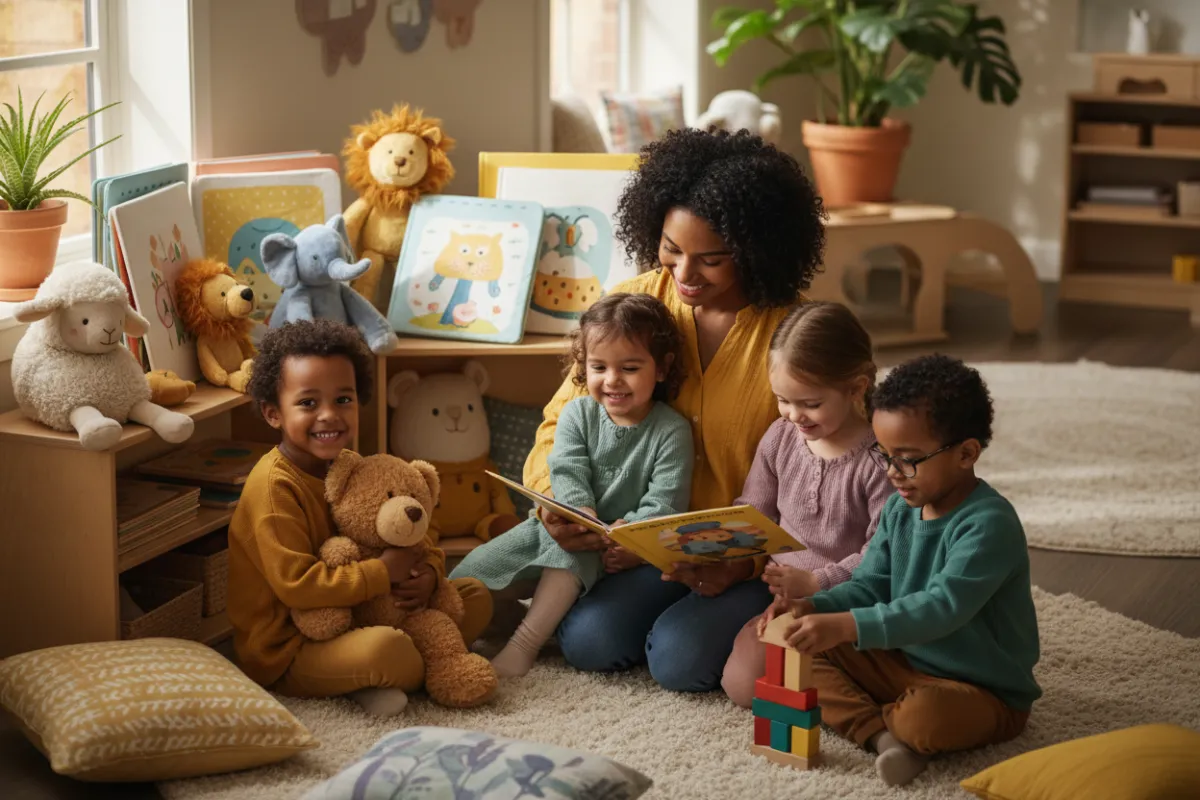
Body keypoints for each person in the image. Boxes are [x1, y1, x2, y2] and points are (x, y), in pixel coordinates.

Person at [523, 128, 827, 692]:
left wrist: (743, 565)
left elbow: (834, 471)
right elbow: (560, 420)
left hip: (751, 559)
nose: (684, 275)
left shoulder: (800, 335)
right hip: (639, 549)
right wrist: (560, 504)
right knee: (589, 642)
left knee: (681, 661)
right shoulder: (634, 306)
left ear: (758, 250)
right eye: (671, 248)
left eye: (711, 259)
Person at [764, 354, 1041, 786]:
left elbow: (939, 609)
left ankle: (896, 725)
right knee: (791, 638)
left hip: (980, 688)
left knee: (924, 720)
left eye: (908, 459)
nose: (892, 473)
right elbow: (872, 583)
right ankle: (881, 737)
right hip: (901, 658)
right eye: (885, 454)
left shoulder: (989, 525)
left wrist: (846, 625)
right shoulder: (899, 507)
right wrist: (811, 606)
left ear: (967, 453)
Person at [226, 319, 493, 717]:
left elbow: (411, 538)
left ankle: (392, 669)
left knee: (473, 594)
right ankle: (412, 666)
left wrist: (429, 577)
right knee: (388, 649)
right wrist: (383, 573)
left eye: (344, 399)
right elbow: (299, 587)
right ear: (272, 414)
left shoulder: (351, 465)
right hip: (292, 646)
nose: (329, 415)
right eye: (308, 403)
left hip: (362, 613)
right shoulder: (273, 488)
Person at [451, 293, 692, 677]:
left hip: (611, 547)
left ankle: (523, 646)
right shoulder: (578, 413)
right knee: (468, 577)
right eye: (598, 367)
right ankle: (496, 624)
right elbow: (566, 469)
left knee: (574, 553)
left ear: (661, 368)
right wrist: (580, 513)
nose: (612, 380)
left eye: (629, 367)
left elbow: (665, 501)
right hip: (560, 527)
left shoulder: (671, 430)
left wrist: (628, 539)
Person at [720, 302, 895, 707]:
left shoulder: (879, 461)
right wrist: (714, 545)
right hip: (776, 593)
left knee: (762, 683)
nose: (794, 415)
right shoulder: (781, 436)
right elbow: (755, 511)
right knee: (741, 684)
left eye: (810, 403)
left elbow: (883, 553)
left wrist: (819, 583)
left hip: (846, 601)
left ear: (856, 387)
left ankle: (843, 680)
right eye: (783, 399)